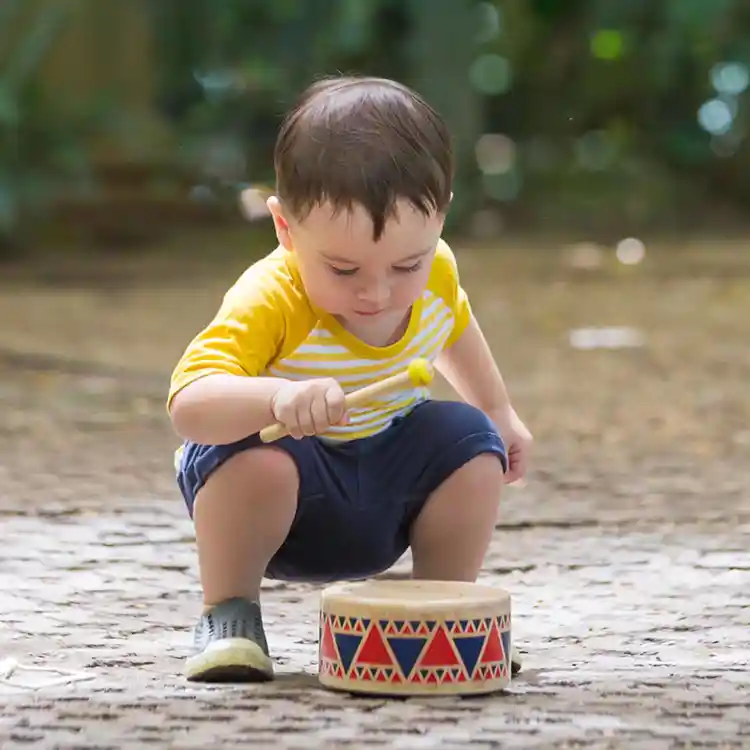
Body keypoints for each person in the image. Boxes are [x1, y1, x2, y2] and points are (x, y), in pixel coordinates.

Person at [167, 75, 533, 683]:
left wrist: (499, 410)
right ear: (286, 230)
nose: (377, 292)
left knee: (470, 442)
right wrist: (277, 397)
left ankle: (443, 613)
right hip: (283, 506)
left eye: (405, 265)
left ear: (441, 216)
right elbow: (189, 404)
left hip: (381, 488)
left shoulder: (437, 272)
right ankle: (228, 611)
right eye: (343, 269)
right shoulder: (270, 297)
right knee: (252, 457)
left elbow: (454, 327)